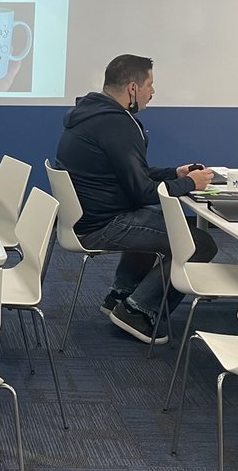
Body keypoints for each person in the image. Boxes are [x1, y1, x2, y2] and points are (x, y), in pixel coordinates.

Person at [55, 54, 217, 345]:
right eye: (150, 85)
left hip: (88, 218)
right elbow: (141, 190)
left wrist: (174, 173)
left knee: (153, 219)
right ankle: (139, 311)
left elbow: (130, 173)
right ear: (132, 88)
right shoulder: (118, 124)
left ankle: (122, 293)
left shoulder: (91, 114)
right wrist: (188, 183)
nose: (152, 93)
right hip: (104, 224)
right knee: (199, 243)